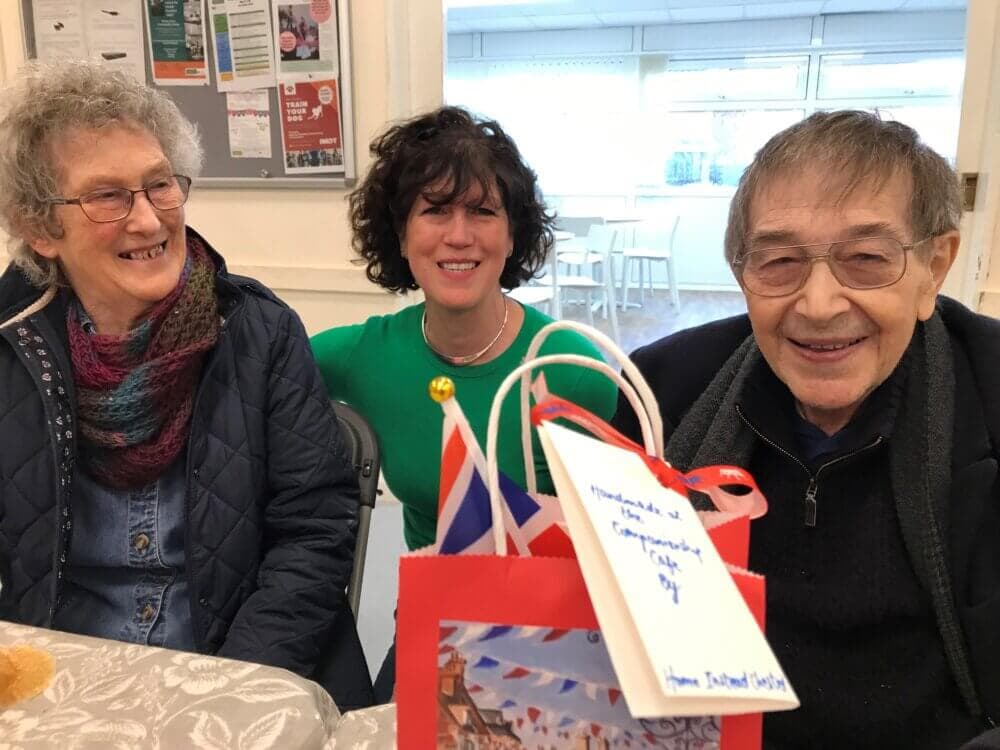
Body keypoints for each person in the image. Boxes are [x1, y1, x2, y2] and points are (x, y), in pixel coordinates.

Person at [613, 110, 1000, 749]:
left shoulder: (986, 393)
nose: (819, 305)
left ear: (934, 268)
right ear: (743, 275)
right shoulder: (662, 397)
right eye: (781, 261)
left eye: (867, 257)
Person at [0, 62, 372, 710]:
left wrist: (227, 690)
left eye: (160, 185)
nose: (147, 220)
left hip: (238, 675)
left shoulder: (260, 333)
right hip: (60, 685)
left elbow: (315, 530)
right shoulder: (10, 346)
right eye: (108, 196)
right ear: (41, 229)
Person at [311, 105, 618, 699]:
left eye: (482, 211)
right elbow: (259, 372)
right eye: (434, 210)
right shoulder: (363, 356)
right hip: (434, 624)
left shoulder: (574, 373)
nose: (459, 235)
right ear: (401, 233)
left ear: (512, 234)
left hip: (559, 643)